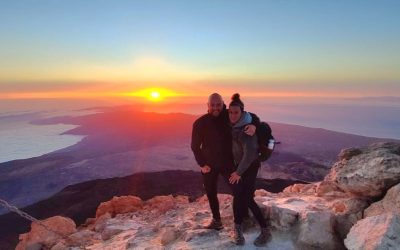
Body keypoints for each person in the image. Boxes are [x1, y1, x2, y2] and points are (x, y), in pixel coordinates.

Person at [191, 93, 259, 230]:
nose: (216, 108)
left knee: (238, 190)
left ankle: (242, 219)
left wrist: (254, 125)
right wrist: (202, 164)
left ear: (223, 104)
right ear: (208, 105)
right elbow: (194, 146)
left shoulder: (229, 115)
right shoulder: (200, 123)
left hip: (228, 164)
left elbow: (252, 116)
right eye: (213, 105)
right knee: (210, 192)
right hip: (209, 165)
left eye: (218, 105)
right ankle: (217, 221)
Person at [228, 93, 270, 246]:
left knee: (246, 198)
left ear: (242, 112)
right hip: (238, 166)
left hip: (249, 166)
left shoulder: (247, 129)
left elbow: (250, 153)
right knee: (237, 195)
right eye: (230, 112)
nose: (233, 115)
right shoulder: (232, 123)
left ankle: (265, 230)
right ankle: (237, 227)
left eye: (236, 112)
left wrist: (238, 173)